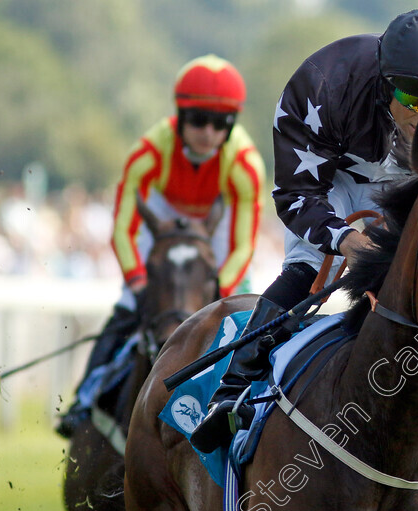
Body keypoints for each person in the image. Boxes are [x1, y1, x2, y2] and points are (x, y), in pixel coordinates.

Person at [191, 9, 418, 478]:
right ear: (383, 80)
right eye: (411, 99)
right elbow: (295, 195)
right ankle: (232, 387)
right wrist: (346, 241)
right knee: (308, 266)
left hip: (415, 180)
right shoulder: (321, 85)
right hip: (330, 180)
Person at [57, 54, 265, 438]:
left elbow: (240, 245)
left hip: (216, 220)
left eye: (220, 123)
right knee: (127, 307)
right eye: (198, 120)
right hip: (161, 211)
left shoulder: (246, 165)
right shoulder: (149, 152)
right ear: (180, 117)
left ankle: (251, 403)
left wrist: (219, 291)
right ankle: (83, 401)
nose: (208, 132)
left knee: (240, 313)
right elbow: (123, 229)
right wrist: (137, 283)